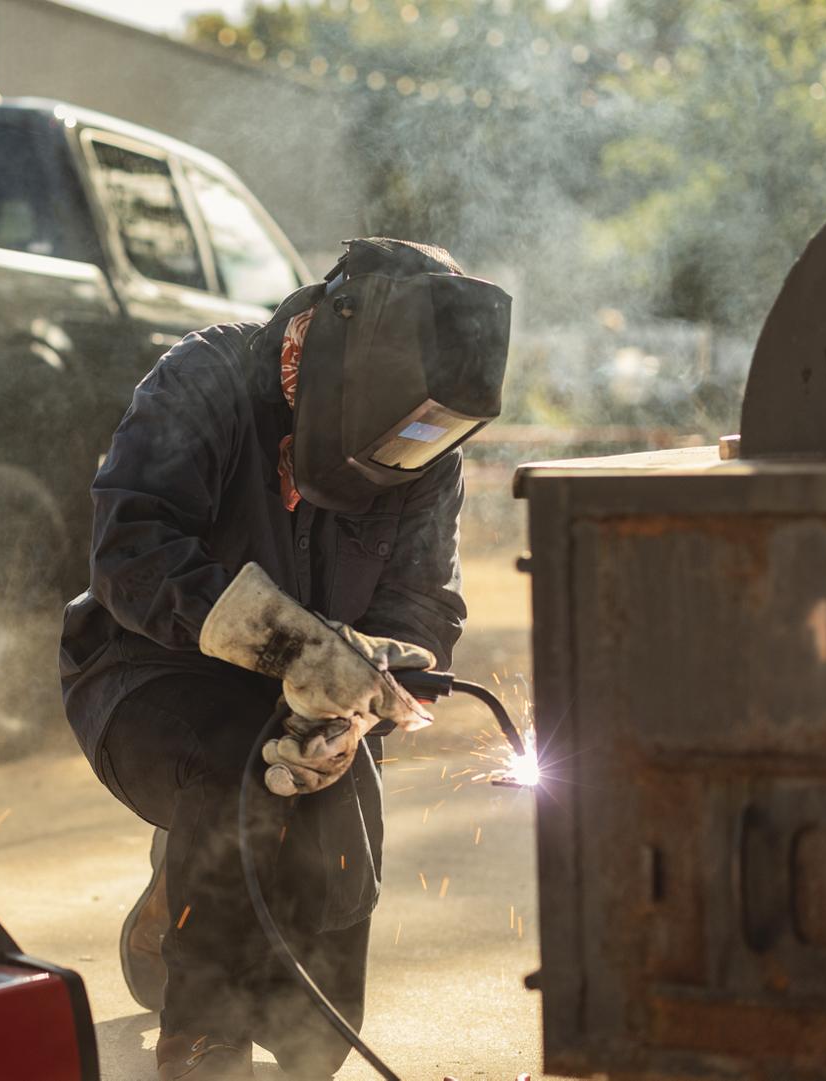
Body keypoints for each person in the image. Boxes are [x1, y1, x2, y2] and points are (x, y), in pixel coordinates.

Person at [58, 238, 511, 1078]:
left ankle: (192, 918)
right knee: (240, 763)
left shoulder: (423, 444)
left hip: (314, 696)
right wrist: (293, 646)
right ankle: (202, 1038)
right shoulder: (206, 378)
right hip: (145, 677)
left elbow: (425, 607)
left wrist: (367, 692)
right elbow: (131, 552)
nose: (405, 460)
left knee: (337, 826)